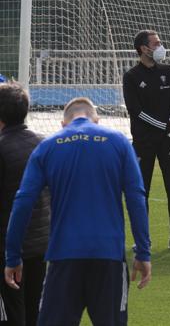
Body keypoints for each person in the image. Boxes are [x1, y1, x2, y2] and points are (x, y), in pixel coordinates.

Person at [4, 97, 151, 325]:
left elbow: (23, 202)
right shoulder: (119, 143)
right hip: (109, 257)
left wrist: (13, 255)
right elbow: (136, 199)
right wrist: (143, 252)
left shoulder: (48, 146)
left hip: (63, 257)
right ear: (97, 120)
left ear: (64, 124)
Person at [123, 30, 170, 250]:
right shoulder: (131, 76)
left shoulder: (168, 72)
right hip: (143, 142)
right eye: (156, 43)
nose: (160, 47)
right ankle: (142, 239)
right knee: (141, 190)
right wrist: (163, 125)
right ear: (143, 48)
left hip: (168, 140)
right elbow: (136, 112)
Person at [0, 82, 50, 326]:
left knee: (12, 311)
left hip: (10, 247)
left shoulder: (2, 147)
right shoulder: (43, 143)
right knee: (34, 308)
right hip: (41, 243)